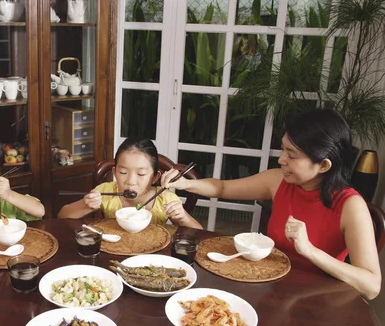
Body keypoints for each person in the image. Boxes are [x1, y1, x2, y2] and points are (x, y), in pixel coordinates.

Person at [161, 109, 381, 300]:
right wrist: (184, 183)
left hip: (317, 301)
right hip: (271, 288)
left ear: (323, 165)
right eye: (283, 149)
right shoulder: (279, 181)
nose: (281, 159)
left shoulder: (351, 206)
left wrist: (310, 251)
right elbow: (222, 188)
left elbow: (371, 286)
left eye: (291, 155)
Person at [58, 138, 201, 229]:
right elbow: (62, 216)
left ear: (155, 177)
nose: (131, 181)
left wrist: (182, 217)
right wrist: (85, 204)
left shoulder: (164, 198)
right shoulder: (106, 191)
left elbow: (198, 234)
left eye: (141, 174)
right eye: (123, 173)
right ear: (114, 172)